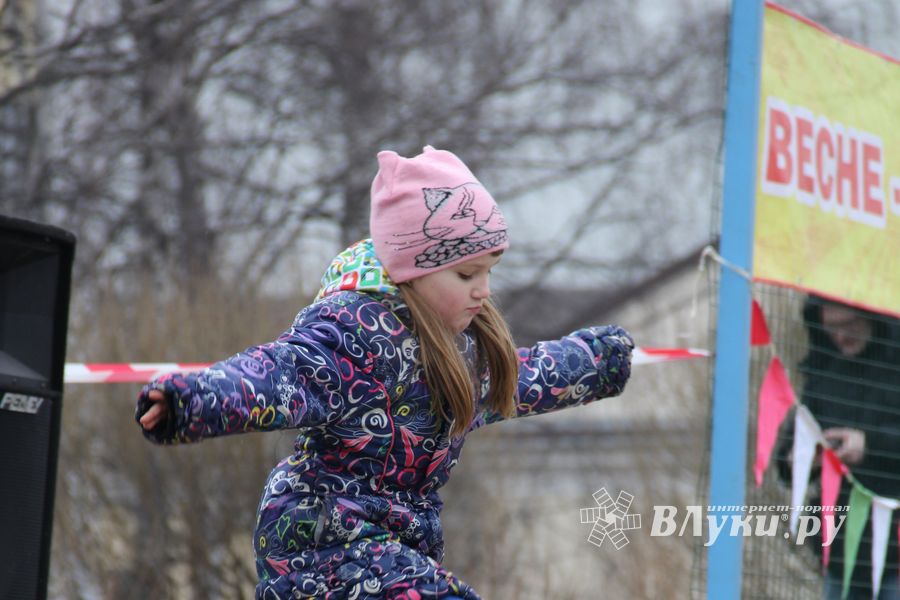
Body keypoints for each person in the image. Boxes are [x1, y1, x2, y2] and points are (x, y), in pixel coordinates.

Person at [136, 146, 634, 599]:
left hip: (395, 549)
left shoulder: (457, 358)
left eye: (488, 272)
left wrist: (598, 361)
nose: (482, 291)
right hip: (322, 543)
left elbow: (523, 380)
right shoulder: (352, 335)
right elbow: (275, 374)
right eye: (465, 275)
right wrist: (191, 401)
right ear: (413, 270)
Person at [777, 296, 900, 600]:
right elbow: (787, 458)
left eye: (849, 325)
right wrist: (802, 460)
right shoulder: (821, 375)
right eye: (831, 328)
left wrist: (867, 445)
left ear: (872, 317)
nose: (841, 336)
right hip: (840, 554)